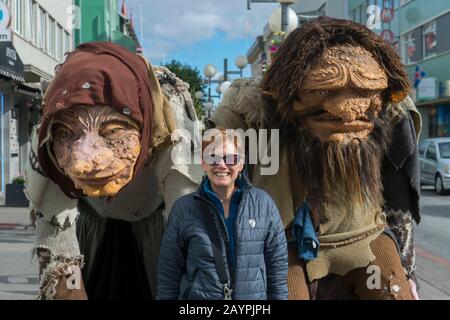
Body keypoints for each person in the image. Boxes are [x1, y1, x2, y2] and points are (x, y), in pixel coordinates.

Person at [157, 128, 288, 300]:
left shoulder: (264, 205)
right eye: (213, 157)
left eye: (230, 158)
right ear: (203, 163)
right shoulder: (183, 209)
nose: (221, 164)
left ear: (241, 163)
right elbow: (168, 273)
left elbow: (277, 271)